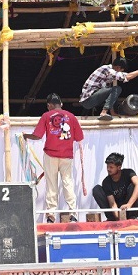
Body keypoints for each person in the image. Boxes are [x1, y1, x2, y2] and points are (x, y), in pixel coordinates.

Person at [23, 94, 84, 223]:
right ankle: (73, 213)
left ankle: (51, 216)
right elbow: (79, 137)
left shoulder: (46, 116)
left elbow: (37, 136)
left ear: (49, 105)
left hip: (51, 155)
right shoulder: (71, 117)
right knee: (68, 183)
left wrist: (25, 136)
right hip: (67, 156)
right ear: (61, 104)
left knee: (51, 185)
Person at [79, 56, 138, 120]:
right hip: (88, 100)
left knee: (113, 92)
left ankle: (110, 112)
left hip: (91, 99)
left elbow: (110, 96)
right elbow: (127, 76)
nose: (120, 72)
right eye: (121, 70)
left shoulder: (109, 74)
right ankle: (103, 113)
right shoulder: (107, 69)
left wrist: (113, 113)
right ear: (118, 67)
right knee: (117, 89)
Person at [92, 153, 138, 221]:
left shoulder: (128, 173)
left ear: (119, 167)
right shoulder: (106, 182)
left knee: (134, 186)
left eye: (111, 167)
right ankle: (111, 218)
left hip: (129, 208)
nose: (108, 169)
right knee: (96, 189)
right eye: (107, 167)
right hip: (116, 212)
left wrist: (129, 204)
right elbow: (112, 204)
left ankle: (132, 217)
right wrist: (118, 218)